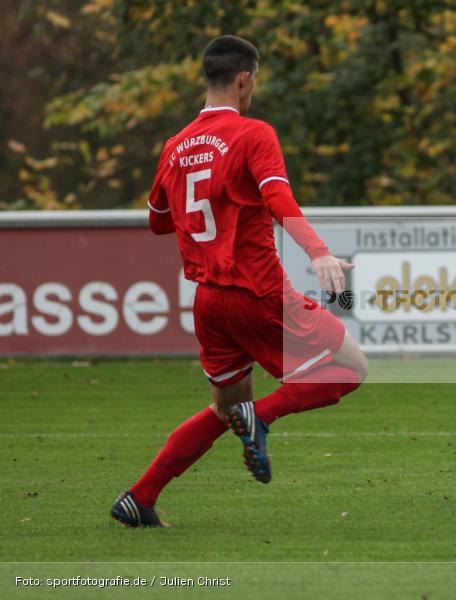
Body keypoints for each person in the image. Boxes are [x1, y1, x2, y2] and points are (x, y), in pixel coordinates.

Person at [111, 35, 368, 527]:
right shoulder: (254, 134)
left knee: (225, 406)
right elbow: (279, 202)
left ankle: (140, 497)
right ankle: (263, 417)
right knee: (348, 368)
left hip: (208, 301)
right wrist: (318, 252)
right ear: (244, 78)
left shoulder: (175, 146)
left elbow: (159, 220)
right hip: (259, 291)